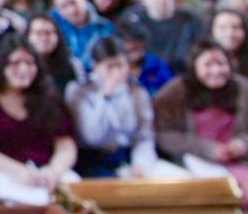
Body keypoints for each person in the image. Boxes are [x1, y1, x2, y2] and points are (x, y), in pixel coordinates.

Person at [153, 40, 248, 200]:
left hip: (239, 164)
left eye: (221, 64)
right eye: (208, 65)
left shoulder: (243, 87)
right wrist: (205, 148)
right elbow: (163, 133)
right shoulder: (175, 91)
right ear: (194, 66)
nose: (216, 70)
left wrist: (245, 144)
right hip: (190, 166)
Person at [0, 37, 80, 203]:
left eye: (30, 63)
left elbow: (65, 144)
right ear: (1, 66)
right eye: (16, 63)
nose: (24, 69)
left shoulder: (50, 99)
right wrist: (20, 172)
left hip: (46, 171)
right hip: (3, 171)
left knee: (74, 189)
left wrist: (53, 171)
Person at [65, 37, 185, 179]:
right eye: (110, 67)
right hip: (92, 160)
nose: (117, 72)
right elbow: (92, 136)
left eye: (121, 66)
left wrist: (141, 163)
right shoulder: (78, 90)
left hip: (126, 156)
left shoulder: (137, 92)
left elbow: (144, 136)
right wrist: (106, 97)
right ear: (95, 65)